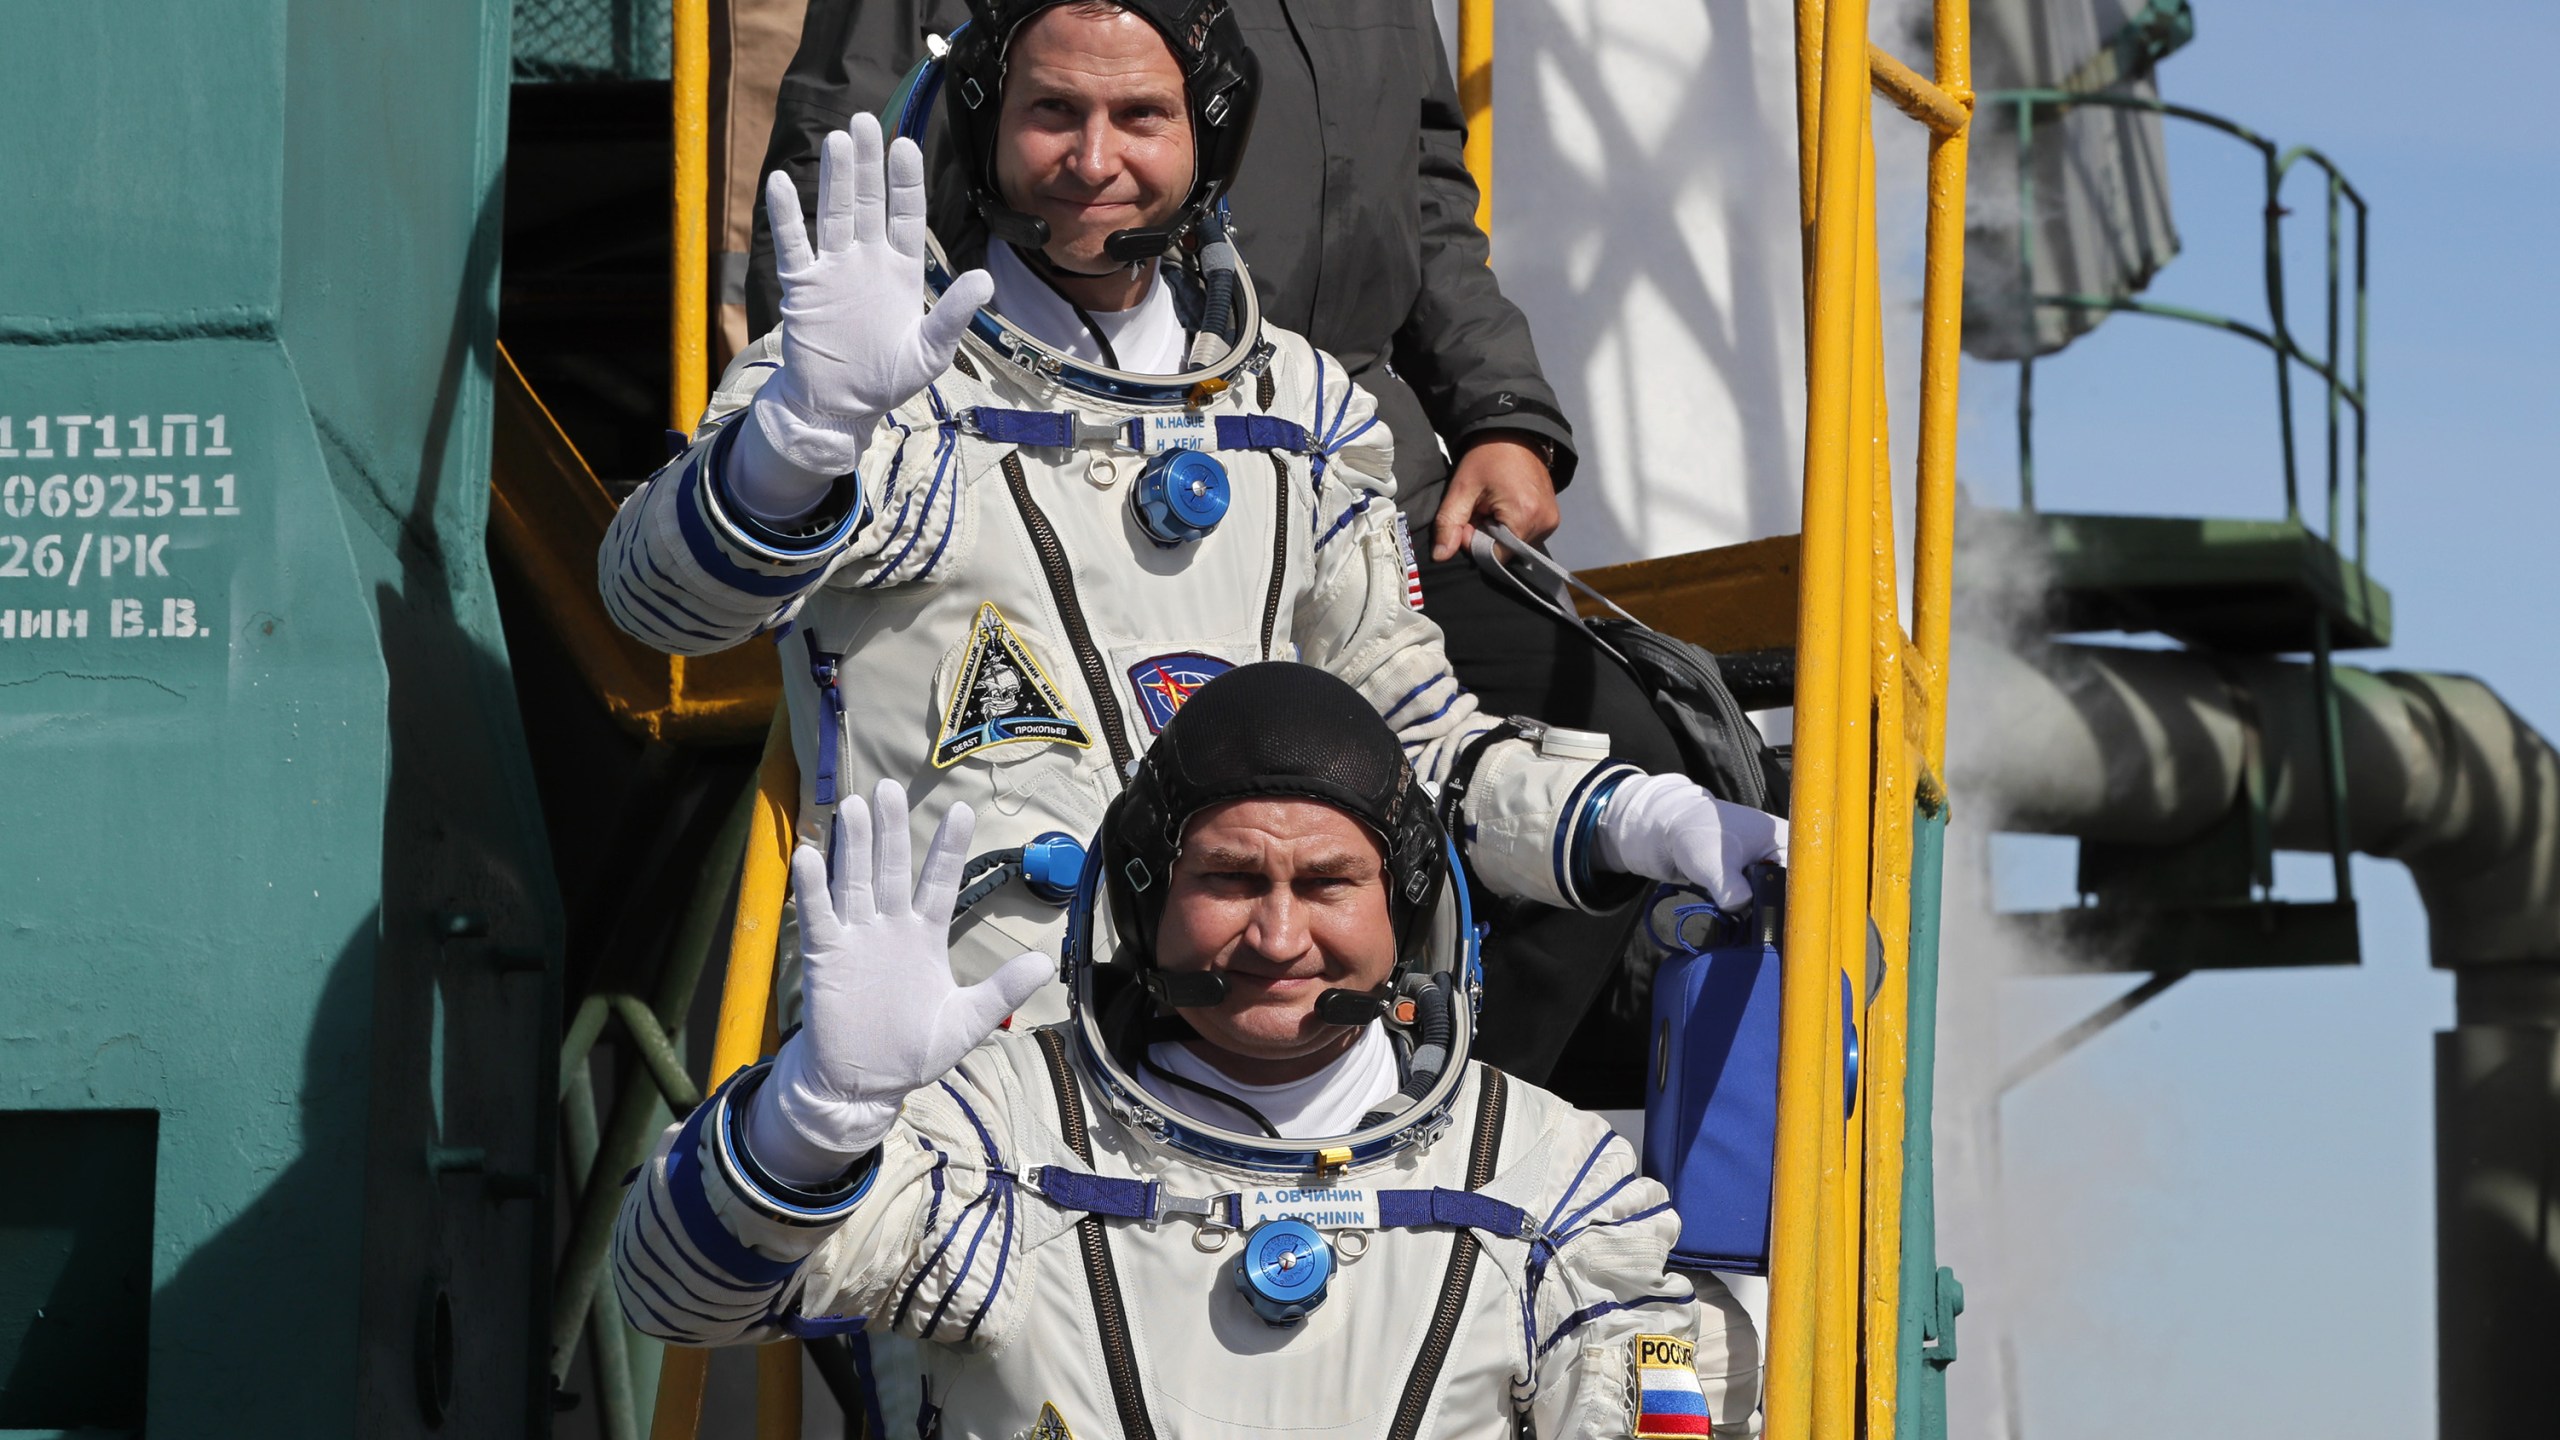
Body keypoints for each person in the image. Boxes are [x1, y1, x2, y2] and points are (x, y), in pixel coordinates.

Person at [599, 0, 1781, 1029]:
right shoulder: (883, 396)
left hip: (1241, 1100)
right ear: (983, 123)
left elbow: (1416, 749)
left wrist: (1648, 820)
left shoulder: (1306, 417)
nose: (1093, 160)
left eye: (1141, 119)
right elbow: (664, 605)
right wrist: (801, 439)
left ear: (1207, 134)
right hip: (959, 1084)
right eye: (1052, 114)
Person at [611, 663, 1762, 1435]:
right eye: (1227, 879)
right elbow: (671, 1293)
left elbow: (1642, 1396)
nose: (1276, 933)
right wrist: (816, 1121)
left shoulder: (1546, 1180)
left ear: (1406, 907)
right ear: (1147, 898)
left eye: (1326, 883)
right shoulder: (997, 1133)